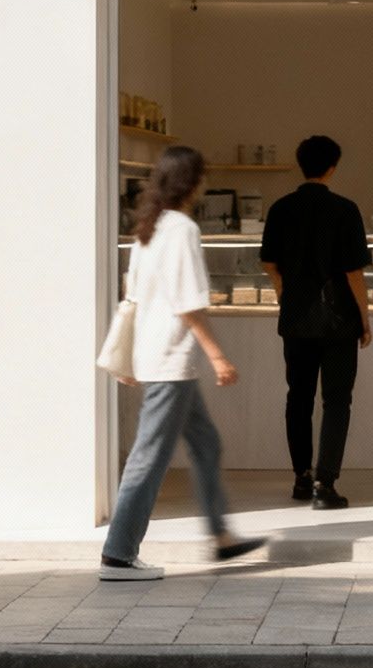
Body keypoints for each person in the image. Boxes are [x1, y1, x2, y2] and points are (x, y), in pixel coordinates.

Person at [101, 146, 267, 580]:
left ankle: (221, 537)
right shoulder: (181, 229)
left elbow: (135, 295)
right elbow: (189, 302)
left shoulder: (149, 228)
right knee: (148, 456)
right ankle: (118, 554)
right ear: (192, 182)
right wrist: (218, 355)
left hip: (161, 357)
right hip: (171, 359)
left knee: (205, 444)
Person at [260, 135, 373, 511]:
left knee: (299, 397)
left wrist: (283, 291)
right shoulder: (345, 209)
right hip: (339, 320)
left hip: (296, 318)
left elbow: (269, 262)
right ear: (332, 167)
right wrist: (364, 317)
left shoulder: (280, 209)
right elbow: (354, 272)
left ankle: (301, 477)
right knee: (337, 400)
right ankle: (326, 483)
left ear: (301, 164)